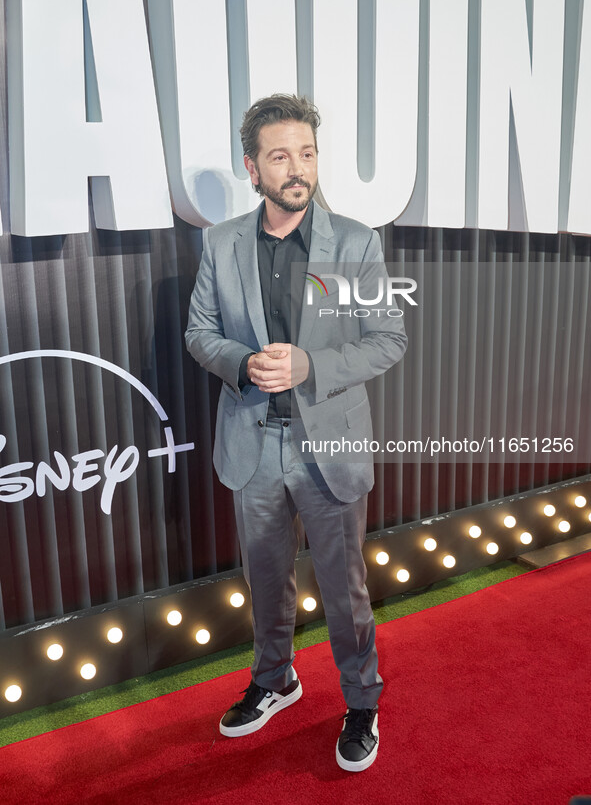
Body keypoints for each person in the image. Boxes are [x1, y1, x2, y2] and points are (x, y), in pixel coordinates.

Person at [185, 94, 407, 772]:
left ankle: (362, 701)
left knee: (343, 588)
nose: (297, 169)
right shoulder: (220, 244)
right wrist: (240, 363)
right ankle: (275, 680)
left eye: (306, 153)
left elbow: (386, 340)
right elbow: (199, 334)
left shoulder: (353, 243)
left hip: (328, 449)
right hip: (251, 446)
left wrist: (309, 364)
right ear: (251, 168)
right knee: (266, 579)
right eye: (280, 156)